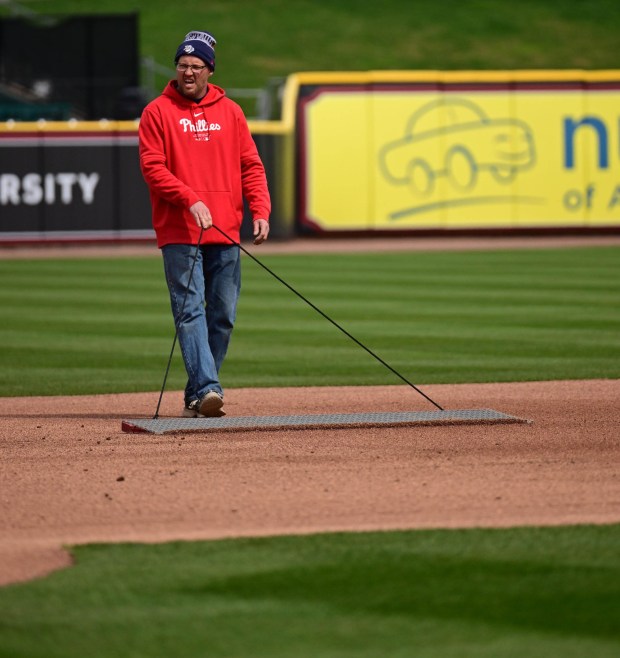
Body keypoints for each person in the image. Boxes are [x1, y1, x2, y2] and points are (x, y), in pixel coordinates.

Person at [138, 30, 271, 418]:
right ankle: (208, 388)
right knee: (191, 310)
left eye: (196, 66)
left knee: (223, 317)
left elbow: (251, 165)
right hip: (180, 231)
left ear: (209, 70)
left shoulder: (231, 112)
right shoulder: (157, 112)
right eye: (182, 65)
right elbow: (152, 168)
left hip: (226, 231)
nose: (188, 72)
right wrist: (190, 198)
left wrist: (260, 210)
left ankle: (198, 391)